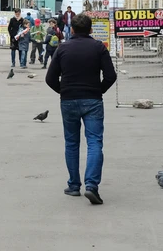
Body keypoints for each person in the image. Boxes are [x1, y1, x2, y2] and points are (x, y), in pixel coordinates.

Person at [45, 14, 117, 205]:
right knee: (94, 142)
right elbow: (111, 76)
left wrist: (64, 91)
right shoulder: (99, 47)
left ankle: (74, 186)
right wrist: (98, 90)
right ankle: (91, 185)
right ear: (91, 30)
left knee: (71, 143)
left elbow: (50, 79)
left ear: (73, 30)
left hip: (68, 100)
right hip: (92, 100)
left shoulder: (63, 48)